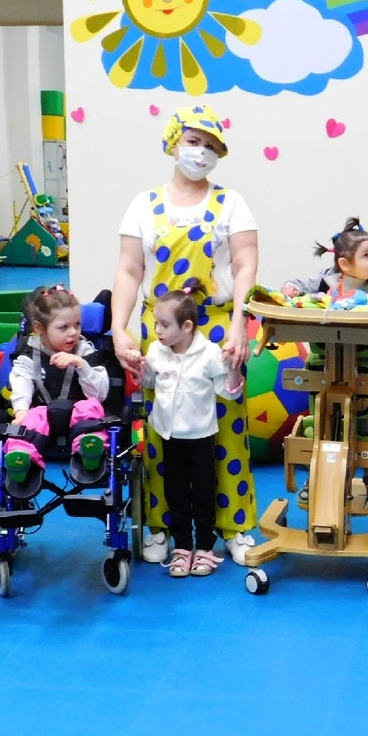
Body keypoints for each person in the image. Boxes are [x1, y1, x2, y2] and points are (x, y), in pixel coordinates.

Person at [112, 104, 259, 565]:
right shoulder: (144, 204)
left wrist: (240, 323)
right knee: (161, 431)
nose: (201, 152)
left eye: (211, 145)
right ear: (174, 143)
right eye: (194, 141)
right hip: (161, 330)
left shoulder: (231, 203)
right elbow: (129, 269)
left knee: (227, 428)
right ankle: (162, 526)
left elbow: (245, 264)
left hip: (216, 328)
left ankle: (233, 525)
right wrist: (118, 328)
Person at [281, 218, 368, 507]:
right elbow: (298, 285)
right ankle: (314, 479)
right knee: (322, 426)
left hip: (366, 368)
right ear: (344, 264)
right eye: (366, 255)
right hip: (324, 366)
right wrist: (290, 288)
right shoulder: (326, 281)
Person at [141, 285, 245, 577]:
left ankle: (205, 547)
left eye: (164, 325)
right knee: (174, 492)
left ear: (186, 326)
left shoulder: (209, 353)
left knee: (203, 493)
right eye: (156, 324)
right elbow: (149, 383)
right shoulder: (156, 351)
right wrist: (141, 369)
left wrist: (233, 367)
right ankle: (182, 546)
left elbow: (229, 392)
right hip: (169, 436)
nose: (157, 331)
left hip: (200, 437)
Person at [2, 284, 111, 488]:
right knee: (31, 418)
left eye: (77, 325)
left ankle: (89, 448)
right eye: (64, 327)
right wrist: (21, 412)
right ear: (39, 328)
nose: (73, 332)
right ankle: (21, 457)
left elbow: (100, 394)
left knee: (91, 407)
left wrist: (82, 365)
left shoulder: (85, 351)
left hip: (79, 416)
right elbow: (21, 382)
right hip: (43, 415)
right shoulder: (29, 355)